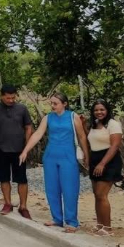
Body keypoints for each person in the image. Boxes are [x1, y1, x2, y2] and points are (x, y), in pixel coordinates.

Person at [20, 93, 89, 232]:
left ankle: (72, 221)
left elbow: (82, 136)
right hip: (50, 156)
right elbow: (38, 134)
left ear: (64, 104)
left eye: (55, 103)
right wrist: (25, 150)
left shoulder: (73, 116)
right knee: (52, 189)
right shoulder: (48, 118)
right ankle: (57, 218)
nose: (52, 106)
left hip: (68, 156)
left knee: (70, 189)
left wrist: (86, 154)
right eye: (51, 103)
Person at [0, 84, 34, 219]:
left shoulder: (22, 108)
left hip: (20, 150)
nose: (11, 100)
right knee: (4, 178)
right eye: (8, 98)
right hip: (1, 149)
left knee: (22, 179)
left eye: (13, 98)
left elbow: (28, 126)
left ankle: (23, 206)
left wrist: (27, 144)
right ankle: (7, 203)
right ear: (2, 96)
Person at [86, 99, 123, 236]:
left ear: (107, 110)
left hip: (109, 160)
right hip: (95, 159)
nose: (99, 112)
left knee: (102, 194)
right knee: (97, 195)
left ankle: (107, 228)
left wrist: (102, 163)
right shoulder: (94, 124)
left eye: (102, 109)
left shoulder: (113, 124)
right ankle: (100, 224)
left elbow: (115, 146)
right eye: (96, 110)